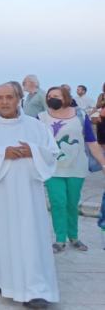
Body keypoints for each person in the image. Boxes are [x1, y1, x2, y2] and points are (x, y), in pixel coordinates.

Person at [0, 83, 60, 308]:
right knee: (2, 238)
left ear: (19, 99)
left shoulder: (35, 126)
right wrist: (2, 154)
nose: (4, 102)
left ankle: (36, 290)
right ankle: (5, 281)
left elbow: (52, 153)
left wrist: (33, 152)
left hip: (28, 197)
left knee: (31, 239)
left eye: (9, 97)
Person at [38, 86, 105, 253]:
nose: (52, 98)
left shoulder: (80, 116)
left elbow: (91, 142)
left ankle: (73, 237)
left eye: (57, 95)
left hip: (76, 168)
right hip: (52, 169)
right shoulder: (41, 118)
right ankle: (60, 239)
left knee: (72, 203)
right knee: (58, 202)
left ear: (66, 97)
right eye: (50, 95)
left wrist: (103, 163)